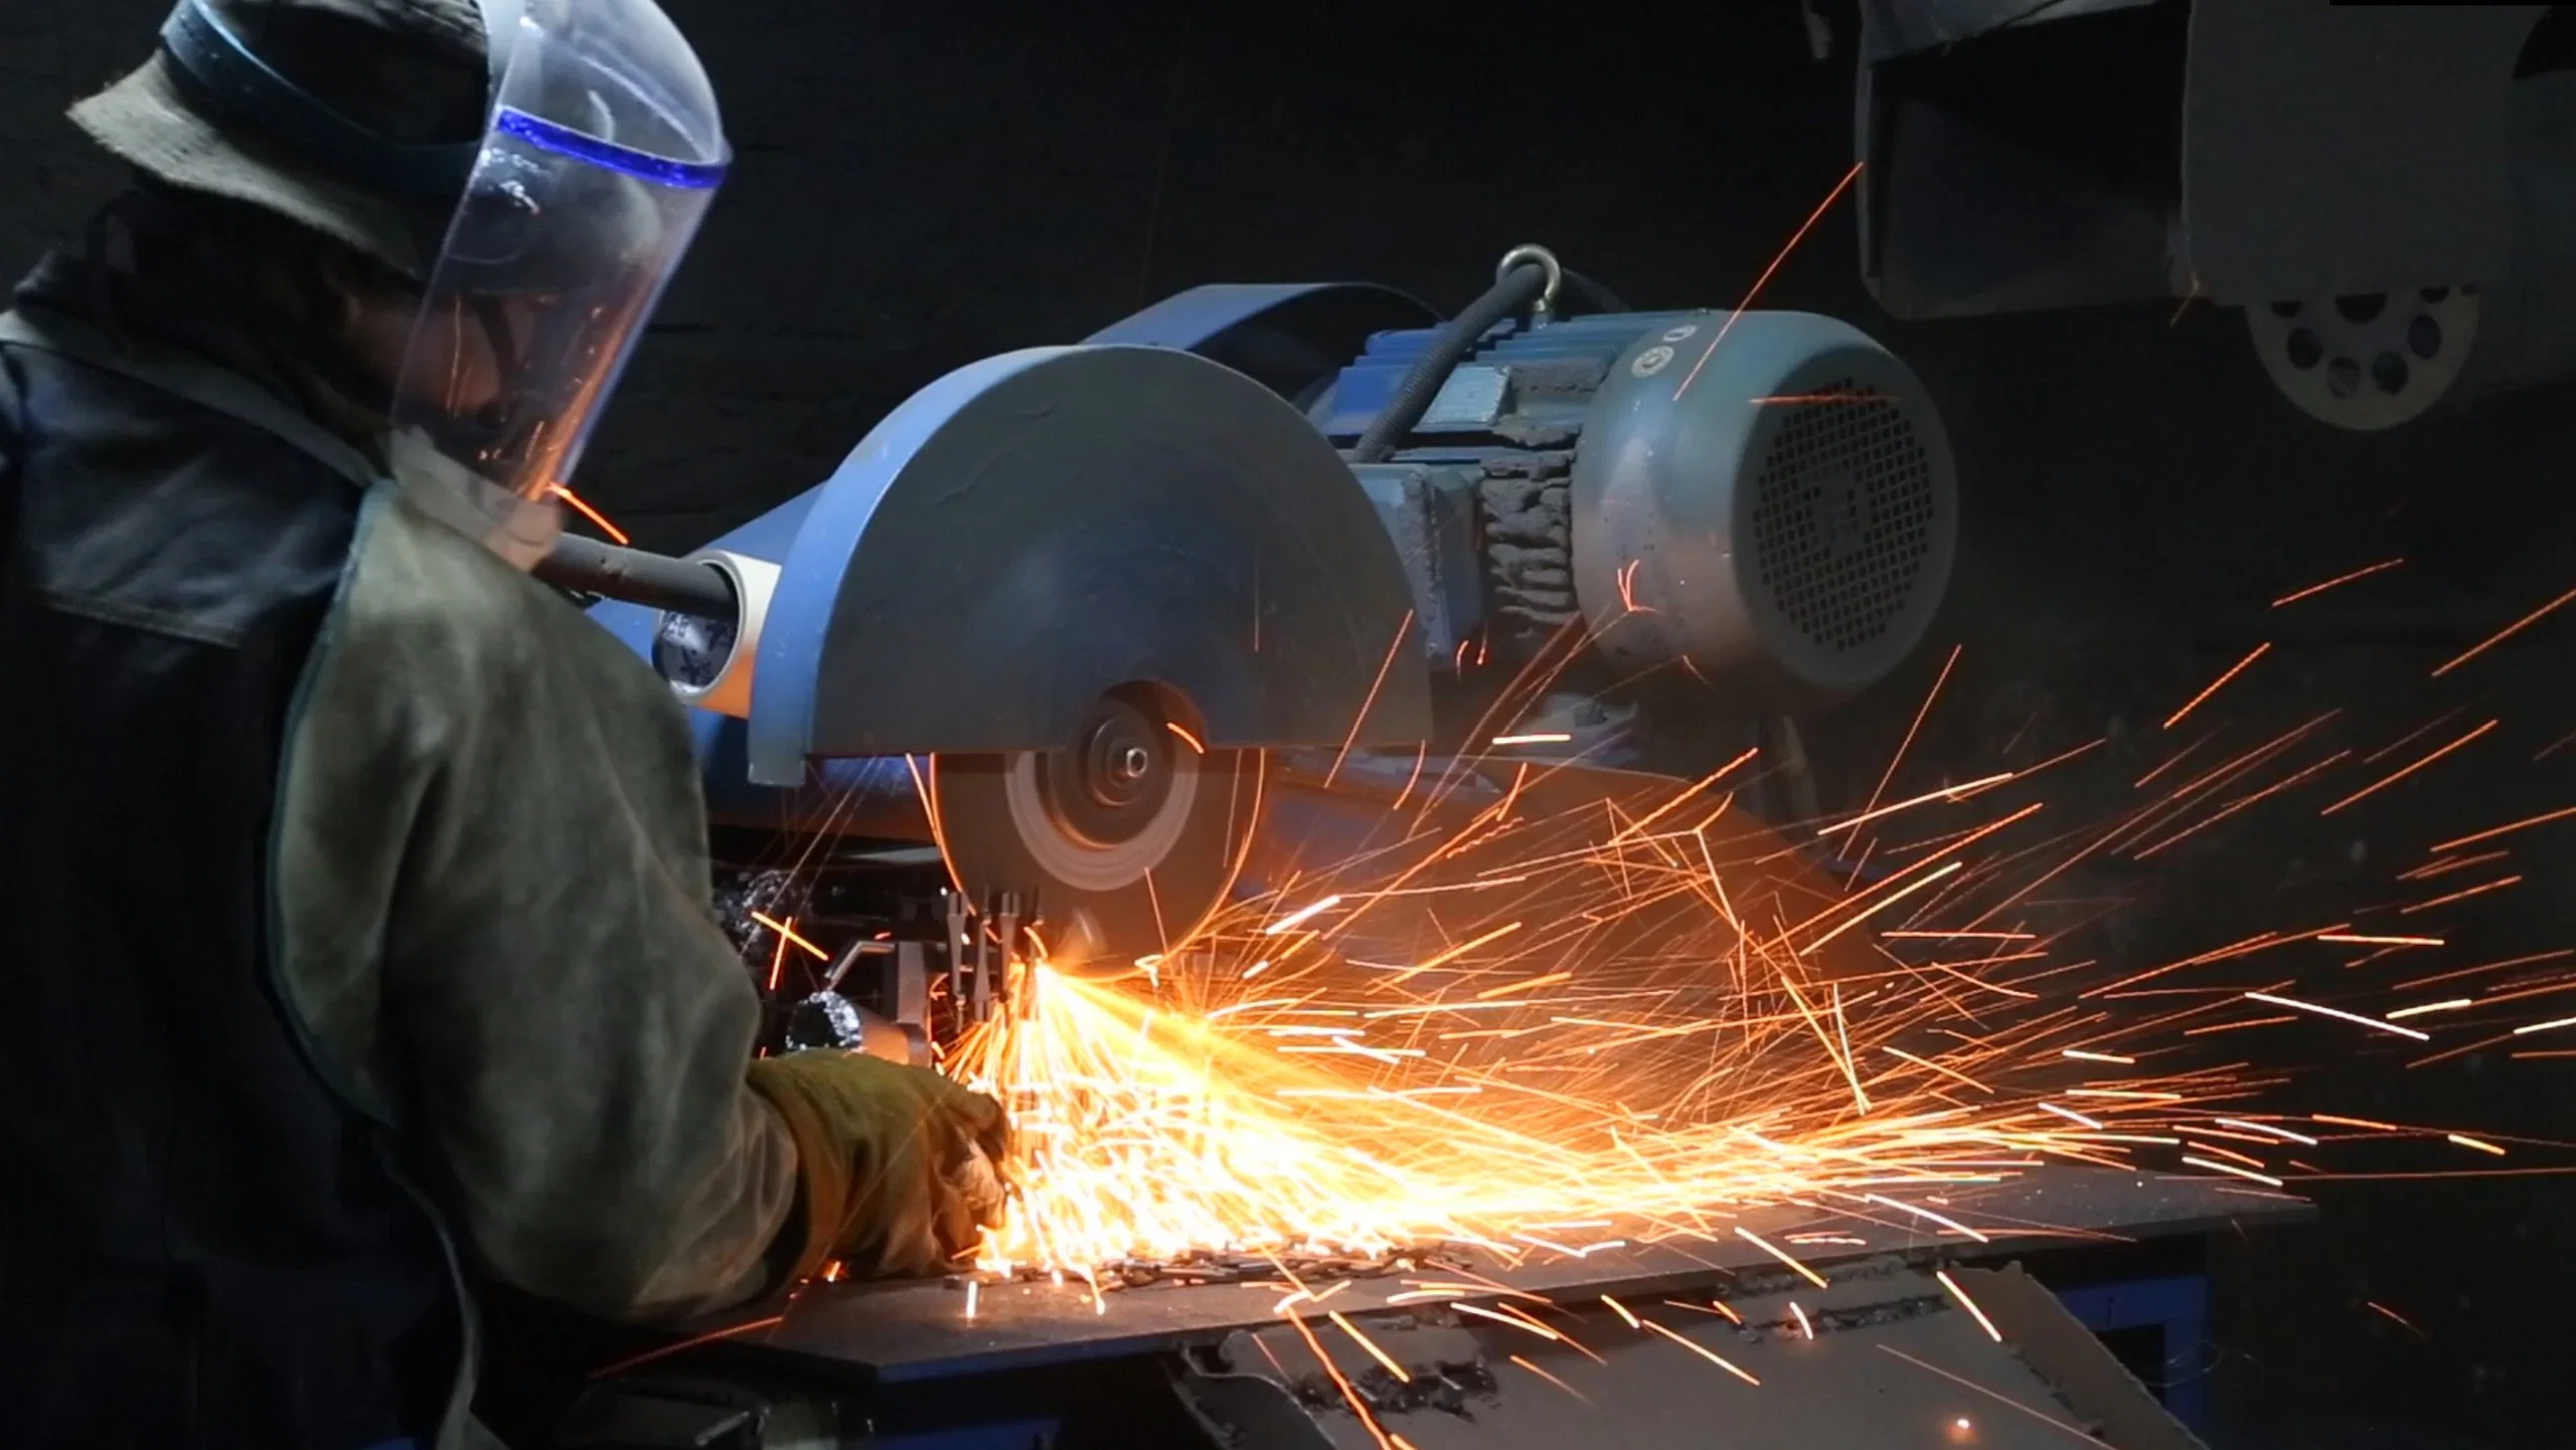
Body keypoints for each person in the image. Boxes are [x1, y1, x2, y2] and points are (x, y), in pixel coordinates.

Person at [0, 2, 1010, 1446]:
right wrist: (854, 1140)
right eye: (537, 311)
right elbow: (641, 1219)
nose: (540, 359)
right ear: (388, 286)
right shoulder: (436, 642)